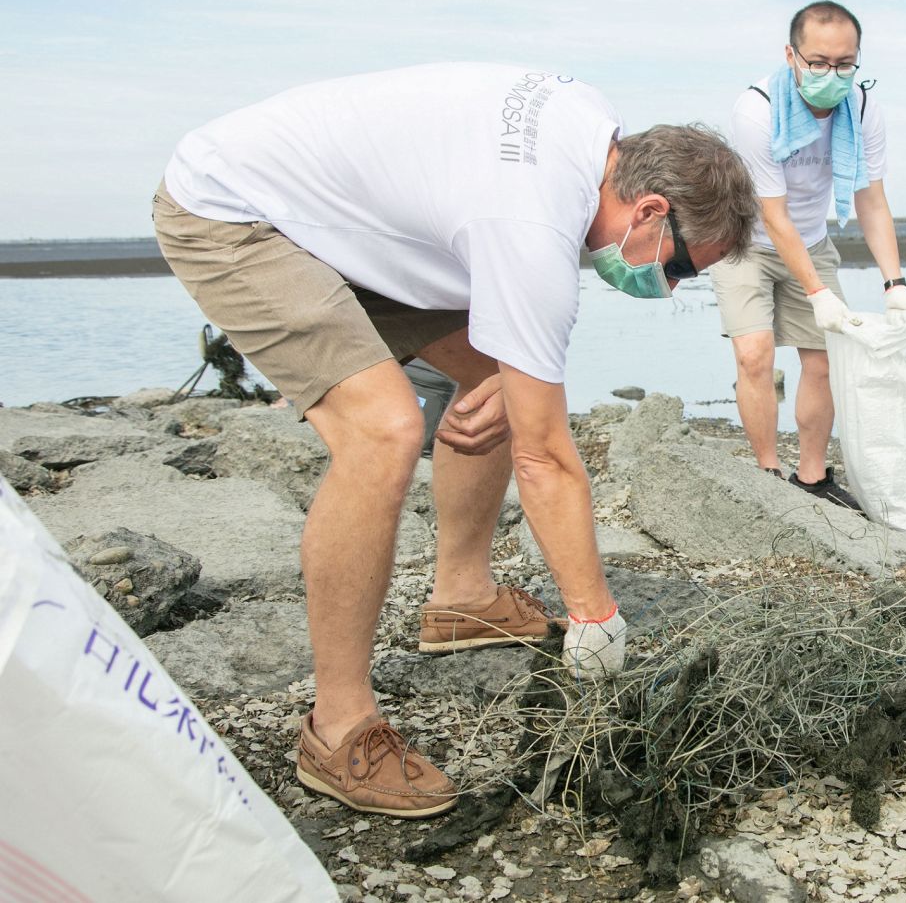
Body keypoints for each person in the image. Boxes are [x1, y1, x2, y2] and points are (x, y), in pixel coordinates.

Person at [153, 62, 756, 817]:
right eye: (678, 268)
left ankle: (462, 597)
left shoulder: (590, 130)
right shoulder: (531, 222)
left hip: (337, 214)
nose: (666, 289)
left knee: (501, 379)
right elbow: (546, 460)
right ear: (650, 209)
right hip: (235, 212)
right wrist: (596, 616)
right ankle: (337, 729)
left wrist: (511, 372)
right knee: (386, 428)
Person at [712, 0, 906, 509]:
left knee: (824, 360)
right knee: (754, 353)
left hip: (810, 240)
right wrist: (818, 292)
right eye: (818, 62)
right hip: (744, 240)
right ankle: (768, 475)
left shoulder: (864, 108)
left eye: (844, 64)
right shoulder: (757, 111)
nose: (832, 74)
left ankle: (812, 478)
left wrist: (895, 285)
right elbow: (773, 215)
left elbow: (872, 200)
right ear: (792, 55)